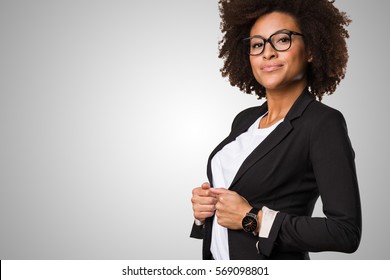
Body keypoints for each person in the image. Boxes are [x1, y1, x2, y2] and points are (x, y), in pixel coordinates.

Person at [190, 0, 362, 260]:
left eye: (282, 40)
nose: (267, 53)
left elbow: (345, 232)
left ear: (310, 50)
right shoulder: (245, 119)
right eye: (257, 44)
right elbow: (235, 203)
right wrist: (206, 211)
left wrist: (254, 220)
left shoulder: (323, 123)